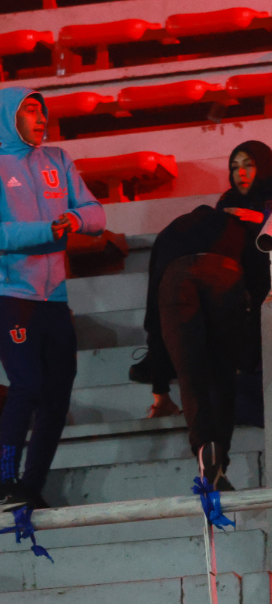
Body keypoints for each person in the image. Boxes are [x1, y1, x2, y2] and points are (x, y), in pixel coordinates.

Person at [136, 140, 272, 420]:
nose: (240, 174)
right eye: (234, 167)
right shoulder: (228, 201)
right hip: (240, 290)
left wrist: (257, 218)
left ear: (265, 165)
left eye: (248, 165)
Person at [0, 87, 105, 511]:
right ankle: (5, 481)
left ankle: (30, 486)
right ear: (9, 116)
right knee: (26, 385)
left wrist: (76, 218)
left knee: (57, 395)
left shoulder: (59, 160)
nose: (41, 116)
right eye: (30, 109)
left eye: (43, 110)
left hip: (54, 298)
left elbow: (96, 213)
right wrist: (47, 232)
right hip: (11, 295)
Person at [147, 204, 269, 489]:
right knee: (222, 375)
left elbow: (153, 316)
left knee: (190, 374)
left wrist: (160, 391)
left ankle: (205, 447)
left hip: (175, 279)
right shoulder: (237, 228)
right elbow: (263, 290)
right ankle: (219, 464)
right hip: (223, 271)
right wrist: (250, 356)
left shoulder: (169, 232)